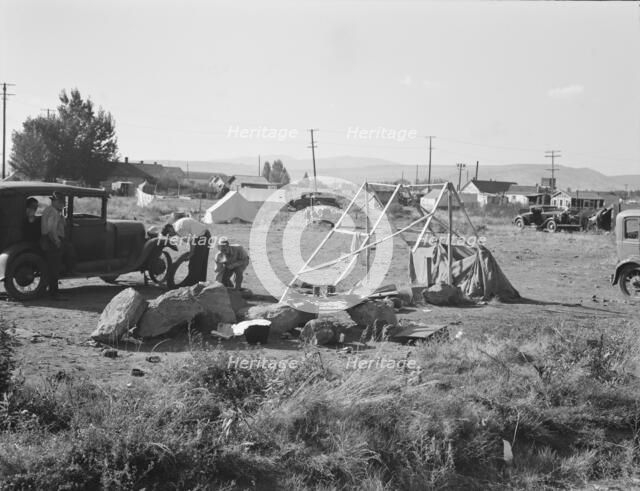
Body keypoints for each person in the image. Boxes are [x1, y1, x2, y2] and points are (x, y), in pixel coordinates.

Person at [162, 216, 211, 286]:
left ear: (169, 229)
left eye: (170, 234)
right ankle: (200, 283)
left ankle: (191, 284)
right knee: (202, 262)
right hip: (206, 234)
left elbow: (192, 240)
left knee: (194, 263)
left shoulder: (178, 229)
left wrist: (191, 253)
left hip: (201, 237)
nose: (172, 236)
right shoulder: (177, 224)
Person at [40, 192, 67, 300]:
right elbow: (51, 230)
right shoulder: (53, 212)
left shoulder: (50, 210)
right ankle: (54, 293)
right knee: (54, 268)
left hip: (49, 240)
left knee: (52, 267)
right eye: (61, 202)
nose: (62, 204)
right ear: (56, 202)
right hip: (52, 241)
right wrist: (57, 241)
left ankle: (53, 291)